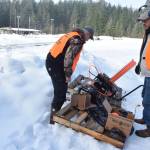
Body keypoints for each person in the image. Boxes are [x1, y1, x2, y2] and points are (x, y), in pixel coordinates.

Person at [45, 27, 94, 124]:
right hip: (56, 65)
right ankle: (53, 119)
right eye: (89, 37)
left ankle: (55, 114)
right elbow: (69, 57)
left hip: (54, 62)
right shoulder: (77, 40)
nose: (88, 40)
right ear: (87, 34)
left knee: (62, 89)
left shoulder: (72, 34)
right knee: (60, 93)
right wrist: (67, 75)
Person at [134, 2, 150, 137]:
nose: (143, 23)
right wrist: (140, 64)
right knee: (145, 97)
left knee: (149, 100)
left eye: (145, 20)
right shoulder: (148, 33)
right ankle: (146, 118)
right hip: (148, 72)